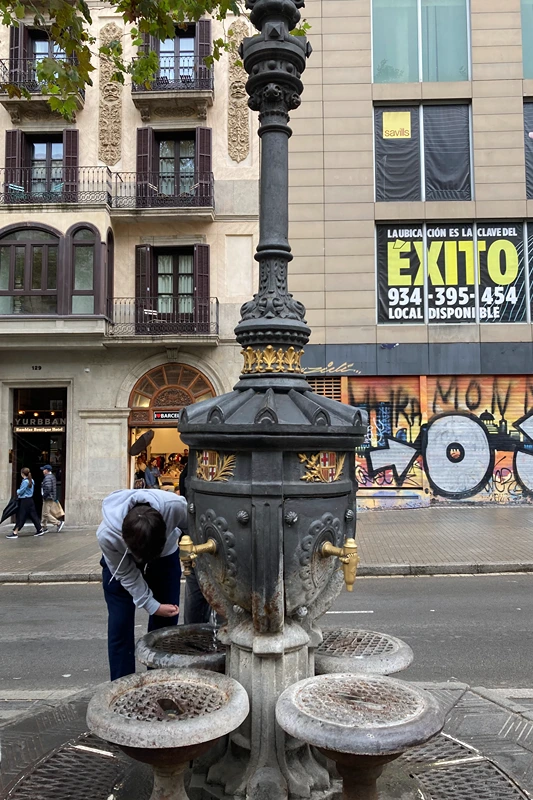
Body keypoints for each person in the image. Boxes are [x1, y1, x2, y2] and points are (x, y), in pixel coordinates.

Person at [97, 488, 187, 680]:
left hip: (165, 557)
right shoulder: (106, 535)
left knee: (166, 626)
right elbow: (126, 573)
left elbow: (196, 526)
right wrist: (151, 605)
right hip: (120, 564)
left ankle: (159, 681)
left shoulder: (176, 507)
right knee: (120, 625)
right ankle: (123, 686)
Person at [6, 468, 45, 539]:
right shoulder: (32, 480)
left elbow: (21, 491)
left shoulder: (25, 482)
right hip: (30, 500)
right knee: (33, 515)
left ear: (22, 474)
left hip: (25, 501)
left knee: (21, 516)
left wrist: (17, 491)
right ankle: (39, 529)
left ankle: (15, 532)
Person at [40, 465, 65, 533]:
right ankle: (43, 527)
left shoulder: (48, 478)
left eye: (44, 469)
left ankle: (58, 523)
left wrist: (44, 495)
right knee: (44, 512)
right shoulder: (52, 477)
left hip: (48, 497)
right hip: (50, 497)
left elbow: (48, 488)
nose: (43, 471)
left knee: (45, 514)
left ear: (47, 470)